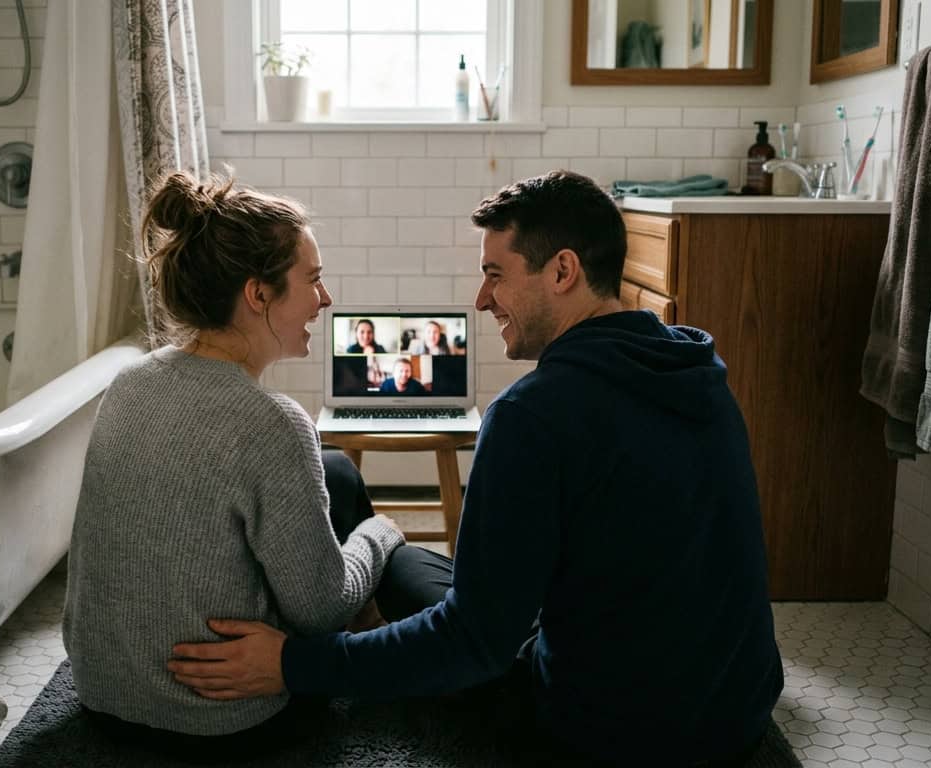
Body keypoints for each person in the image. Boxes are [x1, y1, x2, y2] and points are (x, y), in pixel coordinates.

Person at [168, 170, 783, 766]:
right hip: (738, 712)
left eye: (495, 274)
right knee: (403, 549)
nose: (482, 298)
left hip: (609, 735)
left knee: (400, 567)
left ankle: (360, 617)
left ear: (562, 271)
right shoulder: (695, 373)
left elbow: (474, 644)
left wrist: (291, 665)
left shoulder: (531, 415)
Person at [62, 170, 444, 763]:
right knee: (364, 532)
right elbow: (319, 608)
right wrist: (383, 532)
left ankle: (371, 620)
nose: (326, 299)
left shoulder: (131, 380)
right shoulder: (271, 423)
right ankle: (372, 641)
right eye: (312, 281)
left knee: (335, 468)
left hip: (102, 692)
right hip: (219, 717)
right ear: (258, 294)